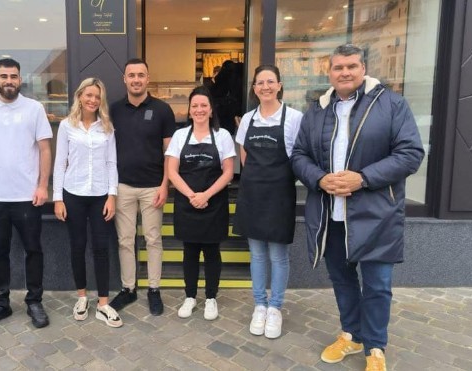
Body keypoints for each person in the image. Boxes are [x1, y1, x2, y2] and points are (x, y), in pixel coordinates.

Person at [290, 44, 424, 371]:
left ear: (363, 68)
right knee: (343, 280)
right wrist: (319, 180)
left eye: (351, 66)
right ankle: (352, 334)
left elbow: (410, 154)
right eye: (338, 67)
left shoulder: (391, 104)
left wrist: (362, 178)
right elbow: (298, 156)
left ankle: (375, 348)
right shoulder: (318, 110)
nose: (345, 72)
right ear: (330, 72)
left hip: (377, 214)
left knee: (377, 285)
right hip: (330, 216)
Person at [0, 58, 52, 331]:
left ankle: (34, 301)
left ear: (20, 78)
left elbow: (45, 149)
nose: (9, 81)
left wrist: (42, 186)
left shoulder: (34, 108)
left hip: (28, 196)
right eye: (4, 76)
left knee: (33, 251)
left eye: (14, 76)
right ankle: (0, 303)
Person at [233, 64, 302, 339]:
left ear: (279, 85)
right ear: (254, 88)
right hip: (252, 194)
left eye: (270, 82)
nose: (265, 87)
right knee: (257, 254)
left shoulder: (295, 118)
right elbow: (245, 158)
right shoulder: (248, 119)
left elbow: (299, 158)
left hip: (280, 195)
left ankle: (275, 308)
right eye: (260, 83)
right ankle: (259, 304)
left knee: (278, 255)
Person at [53, 78, 123, 328]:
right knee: (77, 246)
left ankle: (103, 303)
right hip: (73, 194)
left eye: (97, 97)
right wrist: (58, 198)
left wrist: (112, 196)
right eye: (89, 95)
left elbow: (111, 163)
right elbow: (60, 163)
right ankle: (82, 297)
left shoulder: (106, 127)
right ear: (80, 96)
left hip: (100, 196)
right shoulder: (66, 126)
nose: (93, 100)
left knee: (101, 249)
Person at [109, 58, 176, 315]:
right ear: (124, 79)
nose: (136, 79)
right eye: (131, 75)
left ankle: (154, 290)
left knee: (153, 240)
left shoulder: (162, 110)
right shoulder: (113, 110)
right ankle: (128, 289)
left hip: (152, 188)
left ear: (148, 78)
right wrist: (111, 190)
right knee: (125, 240)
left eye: (141, 75)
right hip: (122, 186)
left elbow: (170, 153)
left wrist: (164, 185)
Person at [165, 86, 236, 321]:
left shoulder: (223, 136)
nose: (199, 109)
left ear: (211, 109)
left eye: (203, 105)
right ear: (189, 109)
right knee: (190, 251)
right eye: (194, 105)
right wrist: (192, 196)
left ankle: (211, 298)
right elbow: (172, 172)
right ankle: (190, 296)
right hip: (187, 203)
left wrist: (205, 195)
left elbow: (227, 173)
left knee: (212, 251)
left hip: (213, 203)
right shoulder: (179, 136)